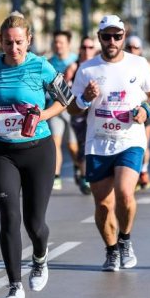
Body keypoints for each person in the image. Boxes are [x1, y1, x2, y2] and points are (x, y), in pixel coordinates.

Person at [0, 12, 65, 298]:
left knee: (35, 224)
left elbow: (65, 99)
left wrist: (41, 115)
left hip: (38, 150)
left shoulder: (41, 66)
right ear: (1, 42)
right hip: (3, 151)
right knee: (9, 217)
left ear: (29, 41)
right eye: (8, 43)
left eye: (19, 42)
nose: (14, 48)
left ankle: (41, 257)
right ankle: (14, 286)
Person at [68, 14, 150, 272]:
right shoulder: (86, 69)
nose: (112, 41)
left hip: (130, 139)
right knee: (102, 204)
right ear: (99, 38)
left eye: (117, 36)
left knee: (124, 193)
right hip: (98, 143)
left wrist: (146, 109)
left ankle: (125, 240)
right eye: (107, 36)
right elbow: (72, 109)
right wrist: (85, 99)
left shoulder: (139, 64)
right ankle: (111, 251)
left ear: (123, 37)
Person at [125, 36, 150, 190]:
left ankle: (144, 171)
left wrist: (148, 106)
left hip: (143, 109)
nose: (132, 50)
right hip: (126, 110)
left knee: (143, 144)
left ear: (140, 49)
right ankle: (130, 176)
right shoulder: (121, 64)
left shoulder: (147, 65)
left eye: (136, 47)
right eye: (130, 47)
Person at [48, 30, 81, 190]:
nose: (58, 45)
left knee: (72, 146)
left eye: (61, 42)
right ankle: (56, 175)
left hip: (72, 110)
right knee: (55, 142)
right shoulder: (49, 63)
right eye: (55, 42)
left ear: (68, 44)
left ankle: (78, 167)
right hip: (55, 108)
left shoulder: (77, 61)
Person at [64, 36, 97, 195]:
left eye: (90, 47)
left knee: (91, 144)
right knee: (82, 143)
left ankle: (84, 171)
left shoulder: (99, 66)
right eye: (84, 47)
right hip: (78, 110)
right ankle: (84, 176)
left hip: (95, 112)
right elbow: (61, 87)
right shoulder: (74, 66)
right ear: (80, 49)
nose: (87, 50)